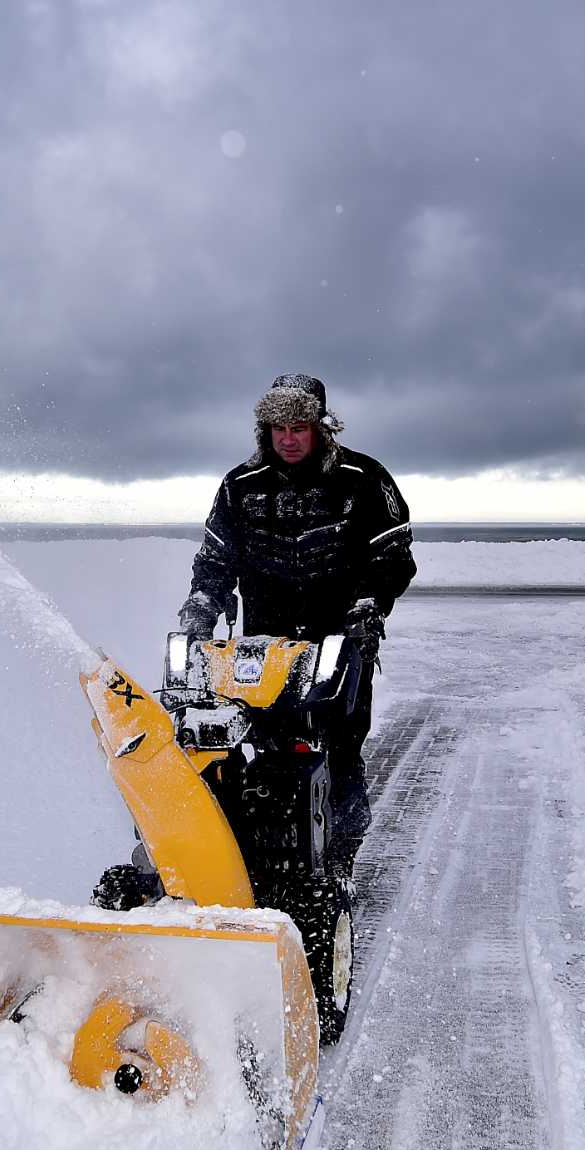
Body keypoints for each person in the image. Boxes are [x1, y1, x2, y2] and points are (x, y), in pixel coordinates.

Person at [177, 373, 414, 876]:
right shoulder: (240, 486)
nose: (288, 438)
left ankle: (338, 857)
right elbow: (215, 562)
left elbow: (392, 556)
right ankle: (244, 853)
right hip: (262, 647)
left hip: (340, 644)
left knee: (339, 750)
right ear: (265, 430)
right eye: (277, 427)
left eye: (298, 427)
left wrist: (367, 608)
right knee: (253, 745)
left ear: (321, 428)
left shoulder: (362, 478)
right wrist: (200, 607)